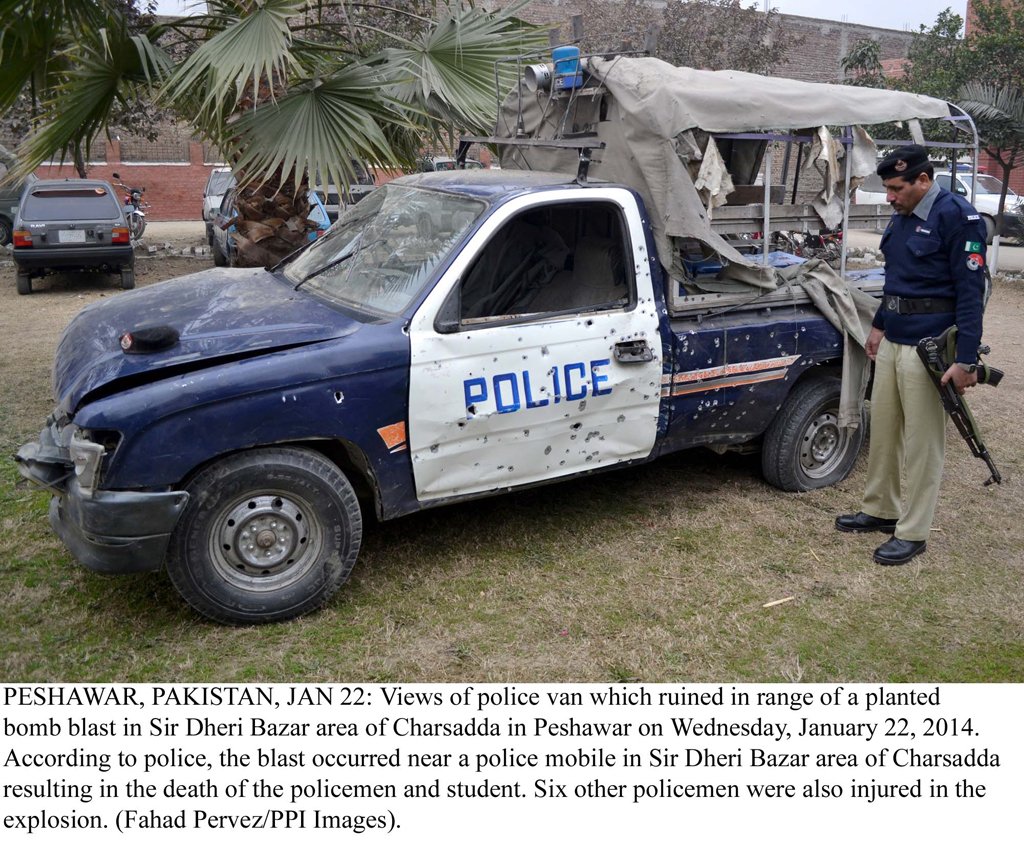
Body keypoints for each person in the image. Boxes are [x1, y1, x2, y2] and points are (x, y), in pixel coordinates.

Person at [836, 145, 988, 565]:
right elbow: (896, 280)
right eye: (886, 188)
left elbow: (971, 293)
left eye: (895, 188)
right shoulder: (903, 217)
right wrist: (880, 325)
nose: (889, 196)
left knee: (923, 442)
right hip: (895, 339)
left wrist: (968, 359)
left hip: (931, 348)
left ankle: (914, 531)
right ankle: (880, 509)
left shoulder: (958, 217)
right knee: (884, 430)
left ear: (924, 180)